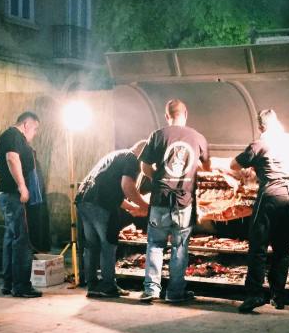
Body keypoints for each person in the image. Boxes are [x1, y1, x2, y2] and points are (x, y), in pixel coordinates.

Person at [231, 109, 289, 314]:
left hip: (271, 196)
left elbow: (234, 164)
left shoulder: (260, 144)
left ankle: (254, 294)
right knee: (283, 248)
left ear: (261, 126)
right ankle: (278, 296)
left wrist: (251, 167)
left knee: (258, 246)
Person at [139, 99, 210, 304]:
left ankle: (151, 289)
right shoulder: (197, 137)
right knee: (179, 247)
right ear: (185, 113)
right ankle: (175, 292)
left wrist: (158, 179)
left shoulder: (158, 135)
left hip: (160, 199)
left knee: (155, 244)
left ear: (166, 115)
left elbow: (144, 166)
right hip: (184, 201)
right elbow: (206, 167)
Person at [75, 140, 149, 298]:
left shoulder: (117, 155)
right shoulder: (132, 159)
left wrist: (134, 208)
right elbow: (127, 187)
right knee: (108, 243)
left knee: (92, 245)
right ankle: (108, 285)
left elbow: (111, 191)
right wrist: (145, 206)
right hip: (100, 205)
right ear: (143, 154)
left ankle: (93, 285)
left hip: (84, 200)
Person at [0, 111, 42, 298]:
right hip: (13, 195)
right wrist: (22, 187)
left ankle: (8, 283)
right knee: (21, 241)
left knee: (11, 239)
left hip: (9, 195)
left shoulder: (10, 136)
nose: (35, 133)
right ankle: (21, 285)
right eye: (35, 129)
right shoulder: (13, 135)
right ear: (26, 124)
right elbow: (11, 158)